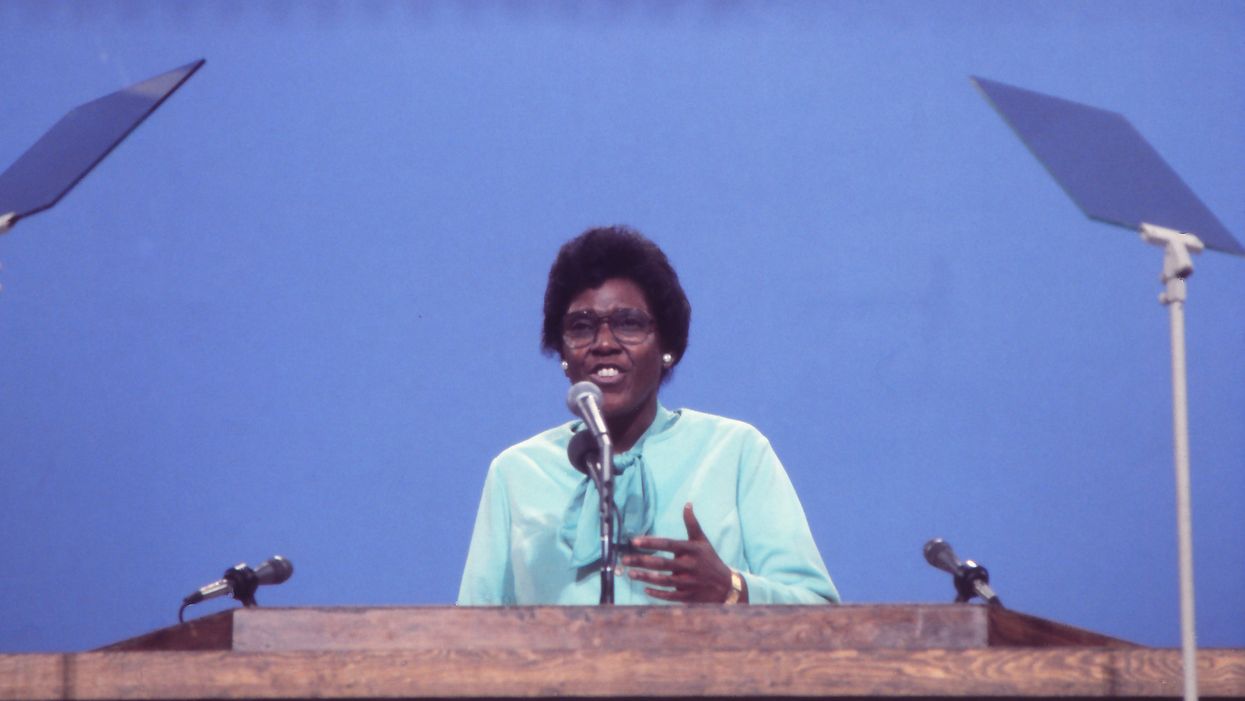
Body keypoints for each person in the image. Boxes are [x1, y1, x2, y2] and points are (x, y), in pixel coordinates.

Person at [457, 226, 838, 605]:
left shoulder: (735, 452)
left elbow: (820, 610)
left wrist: (731, 589)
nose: (604, 343)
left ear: (667, 346)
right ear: (563, 354)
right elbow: (468, 633)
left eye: (629, 323)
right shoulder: (516, 474)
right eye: (581, 327)